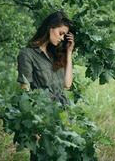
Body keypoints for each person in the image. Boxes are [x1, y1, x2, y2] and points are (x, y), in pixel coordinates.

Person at [17, 11, 75, 160]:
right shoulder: (27, 54)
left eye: (64, 35)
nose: (62, 38)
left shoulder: (56, 54)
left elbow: (67, 84)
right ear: (50, 27)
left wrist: (69, 53)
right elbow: (25, 90)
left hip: (63, 113)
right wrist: (33, 123)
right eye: (60, 33)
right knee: (41, 156)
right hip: (42, 115)